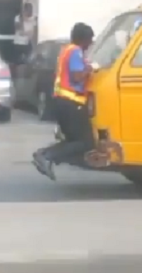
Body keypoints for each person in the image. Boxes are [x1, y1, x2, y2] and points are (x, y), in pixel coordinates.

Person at [33, 22, 96, 180]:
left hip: (62, 102)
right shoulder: (76, 51)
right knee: (86, 142)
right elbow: (76, 76)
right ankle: (46, 156)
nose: (91, 43)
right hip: (71, 103)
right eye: (90, 39)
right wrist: (89, 70)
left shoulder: (66, 50)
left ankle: (45, 155)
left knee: (73, 140)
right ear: (83, 39)